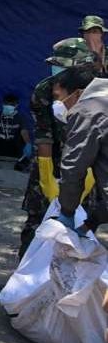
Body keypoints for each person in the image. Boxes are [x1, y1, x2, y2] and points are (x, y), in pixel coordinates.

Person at [19, 37, 96, 258]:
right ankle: (27, 280)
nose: (56, 72)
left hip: (86, 163)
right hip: (51, 160)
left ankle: (71, 283)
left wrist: (85, 181)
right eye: (56, 66)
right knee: (38, 218)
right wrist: (47, 180)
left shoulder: (99, 91)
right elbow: (44, 136)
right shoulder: (44, 91)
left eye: (61, 66)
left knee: (83, 221)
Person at [54, 67, 107, 233]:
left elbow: (73, 168)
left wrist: (67, 212)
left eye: (59, 98)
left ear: (77, 94)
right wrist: (90, 224)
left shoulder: (88, 112)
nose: (60, 104)